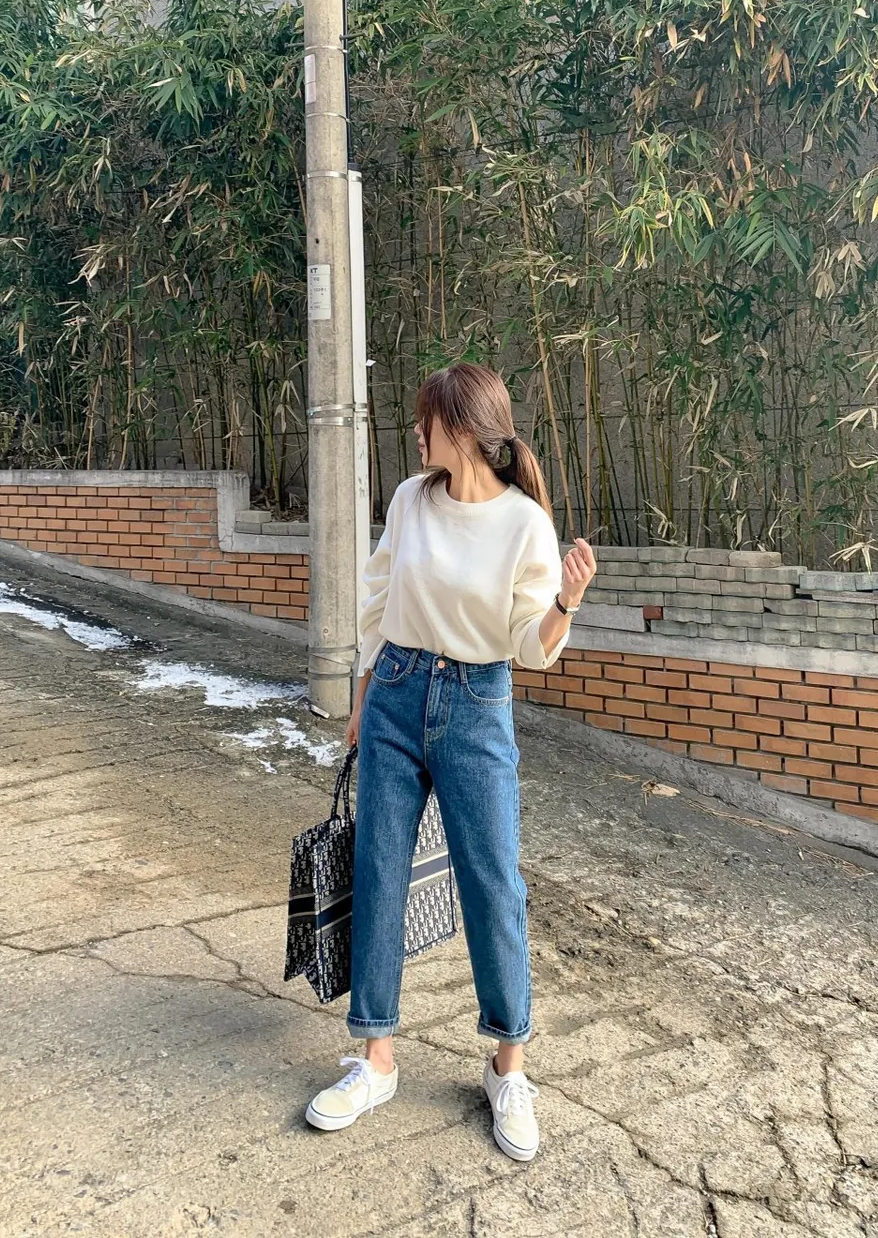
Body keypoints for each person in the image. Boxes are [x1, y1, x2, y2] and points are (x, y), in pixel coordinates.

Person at [305, 363, 597, 1163]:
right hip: (397, 693)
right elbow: (376, 603)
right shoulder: (409, 500)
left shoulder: (524, 524)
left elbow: (530, 648)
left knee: (493, 882)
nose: (416, 433)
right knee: (379, 871)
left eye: (426, 419)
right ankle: (376, 1058)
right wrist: (363, 698)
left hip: (477, 704)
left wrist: (567, 602)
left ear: (462, 429)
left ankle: (508, 1066)